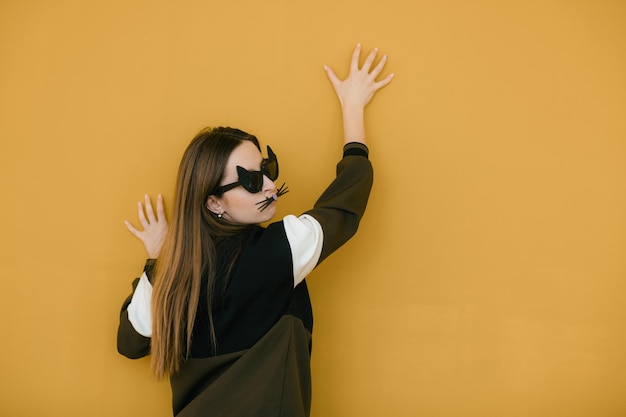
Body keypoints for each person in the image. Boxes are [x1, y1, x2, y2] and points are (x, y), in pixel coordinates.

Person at [117, 44, 394, 417]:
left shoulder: (174, 271)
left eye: (267, 168)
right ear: (213, 202)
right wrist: (353, 108)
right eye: (249, 180)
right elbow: (347, 202)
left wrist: (158, 256)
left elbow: (132, 341)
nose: (267, 184)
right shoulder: (276, 251)